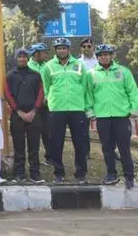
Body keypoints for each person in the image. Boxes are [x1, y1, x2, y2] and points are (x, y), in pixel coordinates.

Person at [88, 44, 138, 189]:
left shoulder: (123, 71)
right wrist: (90, 112)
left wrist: (135, 109)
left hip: (121, 116)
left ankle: (129, 176)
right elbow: (88, 95)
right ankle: (111, 174)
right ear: (97, 57)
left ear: (111, 55)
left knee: (124, 148)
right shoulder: (91, 74)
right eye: (101, 55)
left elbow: (132, 91)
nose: (104, 57)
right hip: (102, 117)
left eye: (106, 54)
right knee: (107, 148)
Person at [41, 37, 93, 183]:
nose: (62, 50)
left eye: (64, 48)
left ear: (69, 50)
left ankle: (81, 174)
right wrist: (48, 98)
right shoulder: (48, 66)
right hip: (57, 109)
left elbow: (86, 87)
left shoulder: (79, 65)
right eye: (59, 48)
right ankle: (59, 173)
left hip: (77, 109)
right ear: (55, 50)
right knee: (56, 143)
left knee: (80, 144)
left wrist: (87, 107)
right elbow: (45, 86)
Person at [5, 48, 45, 184]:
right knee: (18, 146)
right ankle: (19, 174)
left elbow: (41, 93)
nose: (22, 59)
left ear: (28, 59)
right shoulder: (10, 75)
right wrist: (18, 111)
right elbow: (8, 94)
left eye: (24, 56)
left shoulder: (36, 75)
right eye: (19, 56)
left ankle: (35, 174)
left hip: (34, 115)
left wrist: (34, 110)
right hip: (17, 115)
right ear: (16, 58)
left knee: (34, 146)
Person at [27, 43, 52, 166]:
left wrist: (47, 97)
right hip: (33, 104)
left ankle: (50, 157)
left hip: (46, 104)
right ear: (36, 54)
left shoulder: (47, 66)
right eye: (44, 52)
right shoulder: (28, 66)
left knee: (48, 132)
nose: (46, 54)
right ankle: (33, 158)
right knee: (33, 133)